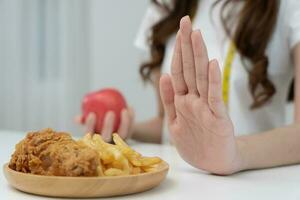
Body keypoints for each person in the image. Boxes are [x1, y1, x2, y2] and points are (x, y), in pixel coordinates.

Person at [77, 0, 300, 174]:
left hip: (255, 183)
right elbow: (170, 124)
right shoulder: (167, 6)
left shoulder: (289, 7)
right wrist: (125, 131)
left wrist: (235, 153)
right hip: (177, 181)